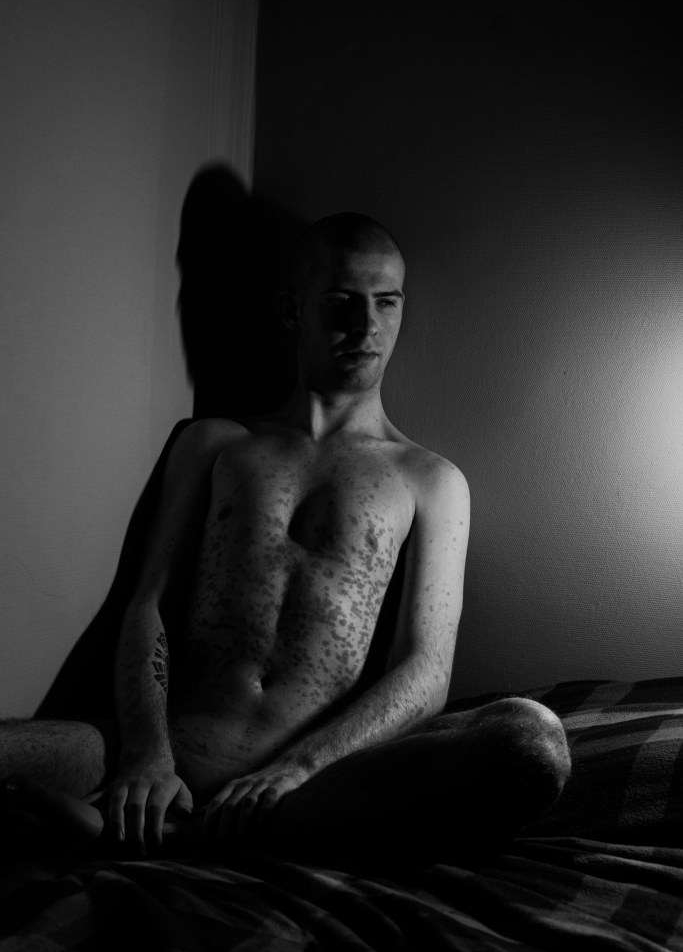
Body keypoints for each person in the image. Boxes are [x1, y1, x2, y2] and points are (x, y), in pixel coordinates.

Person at [0, 213, 570, 867]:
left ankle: (174, 839)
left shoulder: (430, 480)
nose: (366, 326)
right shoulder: (215, 444)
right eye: (342, 302)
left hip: (319, 780)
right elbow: (146, 606)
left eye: (386, 302)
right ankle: (188, 830)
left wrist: (298, 769)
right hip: (178, 745)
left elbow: (425, 671)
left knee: (529, 744)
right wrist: (147, 757)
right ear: (292, 310)